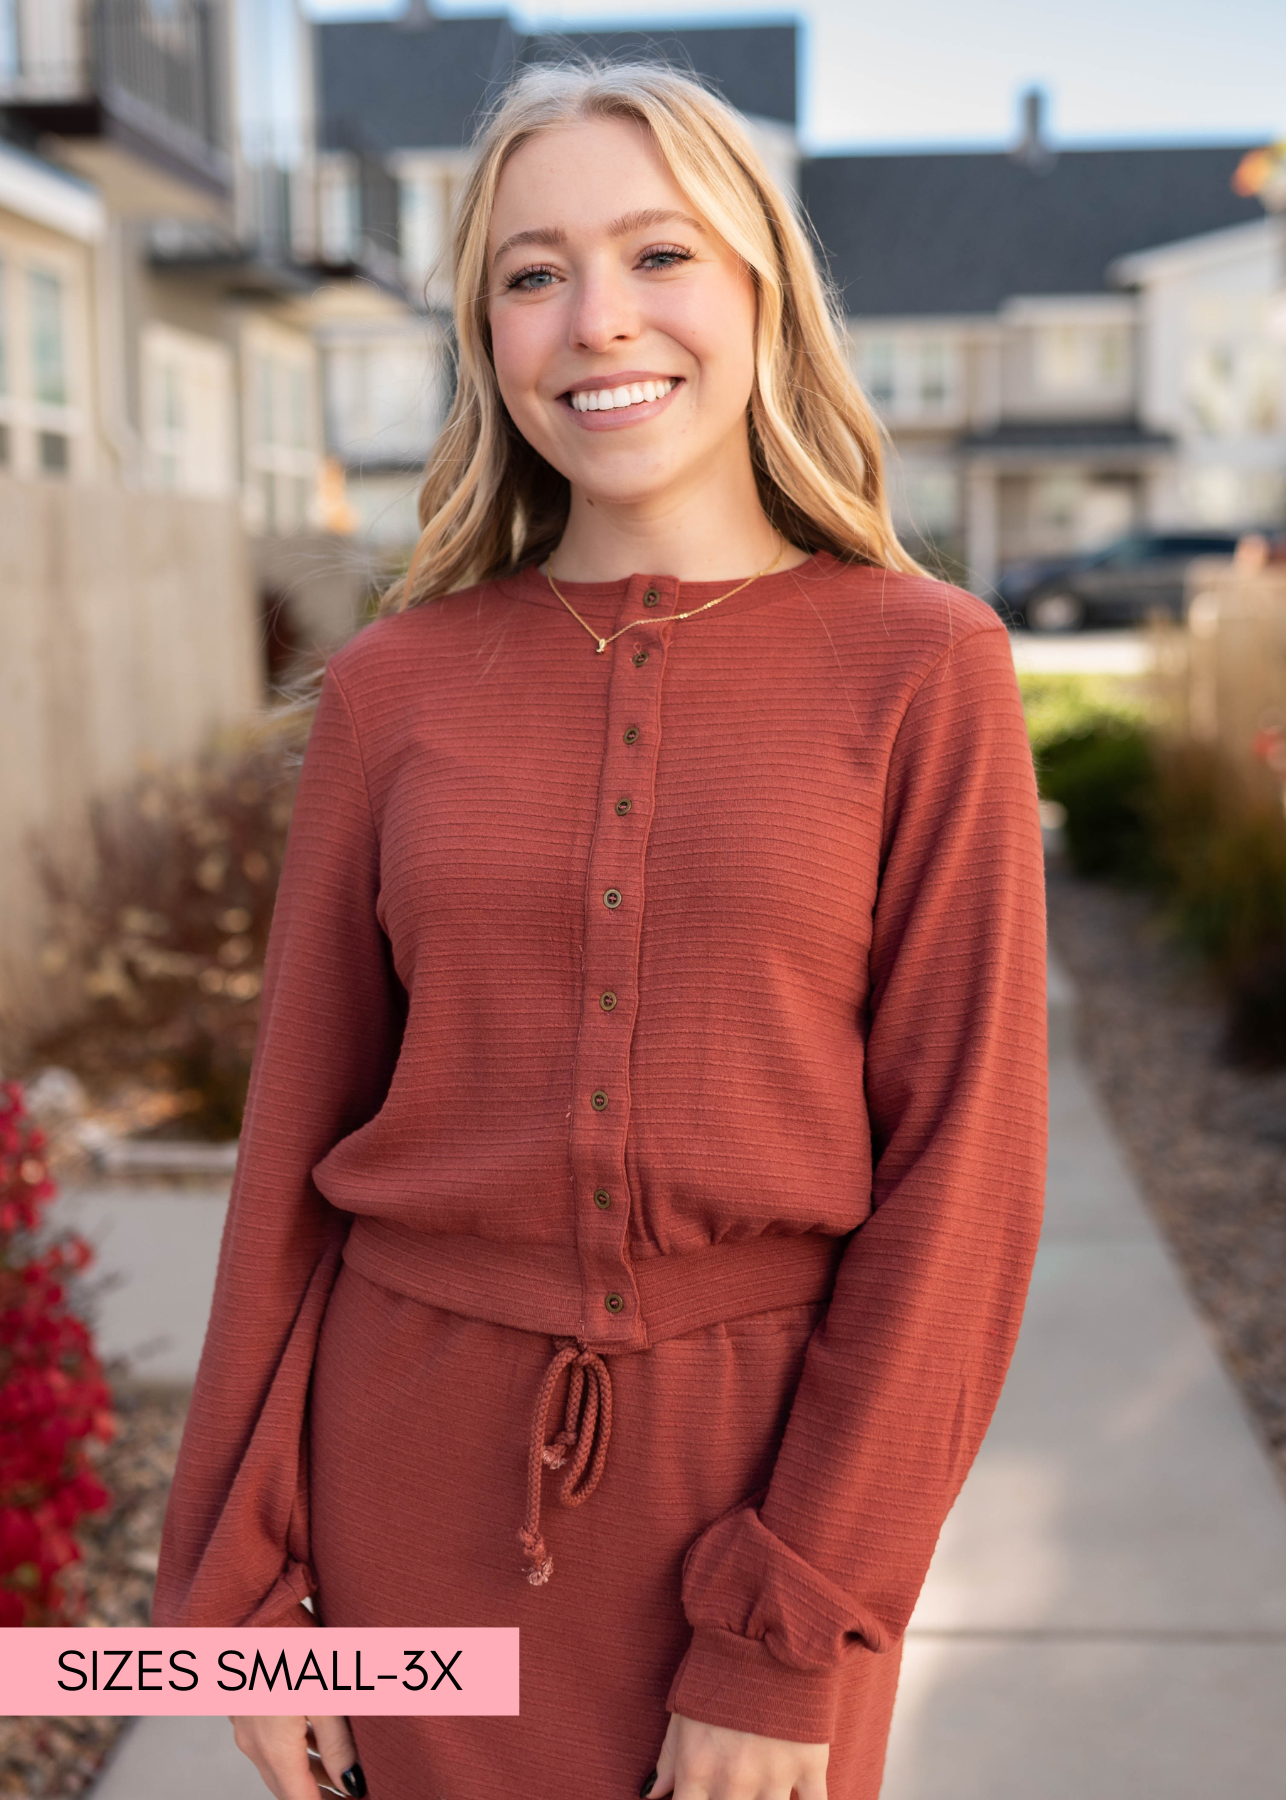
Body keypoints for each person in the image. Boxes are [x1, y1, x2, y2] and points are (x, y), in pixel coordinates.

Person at [152, 57, 1048, 1800]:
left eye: (656, 255)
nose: (594, 321)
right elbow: (290, 1156)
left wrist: (791, 1619)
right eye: (530, 272)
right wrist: (238, 1600)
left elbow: (966, 1183)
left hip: (763, 1474)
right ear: (485, 336)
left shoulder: (922, 667)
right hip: (401, 1458)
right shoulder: (390, 690)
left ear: (757, 291)